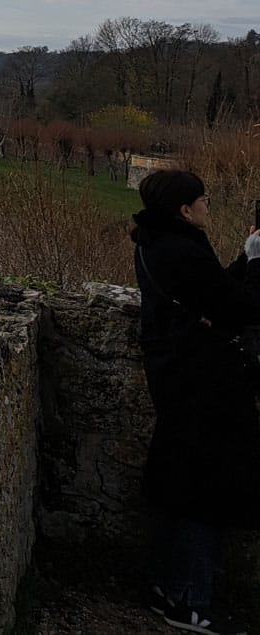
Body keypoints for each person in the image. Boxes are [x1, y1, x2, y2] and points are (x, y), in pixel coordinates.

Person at [132, 168, 260, 634]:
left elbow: (212, 292)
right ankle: (191, 603)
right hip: (202, 386)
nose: (209, 205)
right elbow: (244, 307)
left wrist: (244, 261)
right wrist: (259, 261)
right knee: (203, 491)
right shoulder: (181, 250)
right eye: (203, 200)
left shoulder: (155, 241)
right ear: (185, 210)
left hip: (176, 380)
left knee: (178, 483)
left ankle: (167, 587)